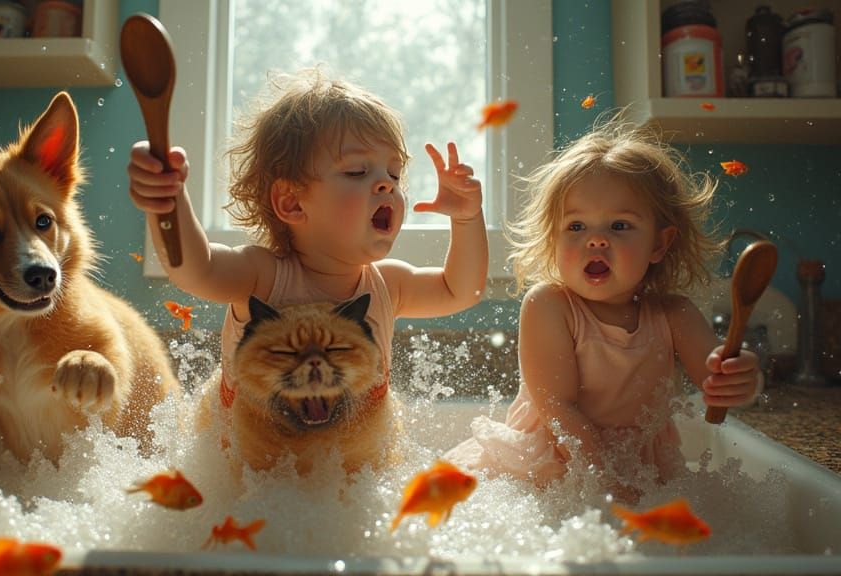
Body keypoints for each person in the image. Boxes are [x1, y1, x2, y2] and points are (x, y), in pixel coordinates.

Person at [444, 117, 762, 500]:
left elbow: (717, 376)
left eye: (619, 226)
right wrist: (607, 483)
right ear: (553, 238)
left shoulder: (675, 315)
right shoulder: (550, 305)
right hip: (550, 467)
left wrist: (743, 379)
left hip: (637, 471)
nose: (596, 241)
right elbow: (558, 408)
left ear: (659, 245)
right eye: (576, 227)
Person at [127, 69, 487, 399]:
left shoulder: (387, 284)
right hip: (253, 450)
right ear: (292, 203)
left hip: (353, 450)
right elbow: (196, 270)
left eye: (394, 174)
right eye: (357, 171)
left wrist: (467, 218)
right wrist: (168, 200)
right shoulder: (263, 276)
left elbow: (461, 290)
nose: (386, 184)